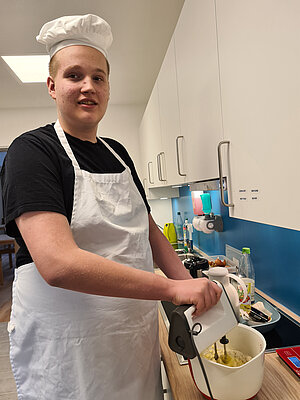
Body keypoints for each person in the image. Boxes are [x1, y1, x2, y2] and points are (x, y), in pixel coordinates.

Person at [1, 14, 222, 400]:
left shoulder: (117, 153)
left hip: (129, 339)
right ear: (52, 86)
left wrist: (186, 283)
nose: (88, 87)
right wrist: (171, 288)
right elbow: (58, 263)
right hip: (68, 346)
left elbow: (149, 231)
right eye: (74, 76)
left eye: (98, 77)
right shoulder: (32, 152)